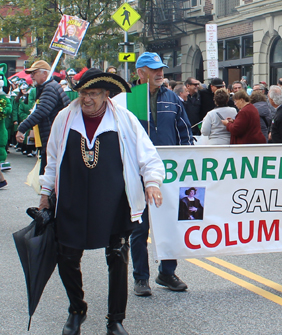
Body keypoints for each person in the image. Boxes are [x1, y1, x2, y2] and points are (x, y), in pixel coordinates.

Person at [38, 68, 165, 335]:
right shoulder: (65, 118)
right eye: (83, 93)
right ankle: (77, 309)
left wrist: (152, 182)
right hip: (71, 199)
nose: (86, 99)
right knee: (67, 256)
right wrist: (44, 194)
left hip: (114, 200)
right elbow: (51, 159)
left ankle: (115, 319)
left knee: (118, 257)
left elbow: (148, 154)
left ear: (106, 95)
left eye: (93, 93)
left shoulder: (124, 119)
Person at [130, 52, 193, 297]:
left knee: (173, 223)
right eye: (153, 69)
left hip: (171, 174)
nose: (160, 73)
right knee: (139, 227)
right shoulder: (129, 100)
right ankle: (141, 278)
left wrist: (189, 162)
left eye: (161, 69)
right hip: (137, 174)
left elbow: (185, 132)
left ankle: (167, 273)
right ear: (140, 73)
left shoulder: (173, 99)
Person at [16, 60, 71, 174]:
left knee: (47, 177)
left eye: (34, 73)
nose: (31, 76)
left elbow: (42, 112)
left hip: (54, 140)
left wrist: (22, 128)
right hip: (55, 138)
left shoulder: (50, 88)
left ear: (44, 74)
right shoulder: (50, 87)